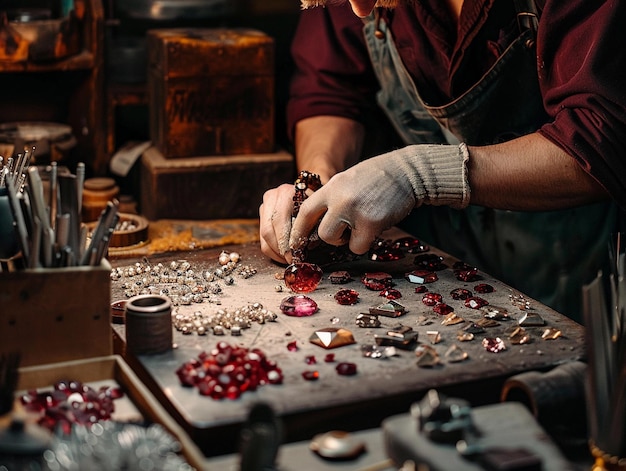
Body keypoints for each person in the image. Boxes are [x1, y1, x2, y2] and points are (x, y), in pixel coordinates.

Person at [259, 0, 626, 323]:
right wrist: (316, 185)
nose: (360, 10)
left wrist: (420, 175)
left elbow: (602, 134)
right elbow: (332, 89)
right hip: (437, 276)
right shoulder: (359, 5)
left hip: (576, 281)